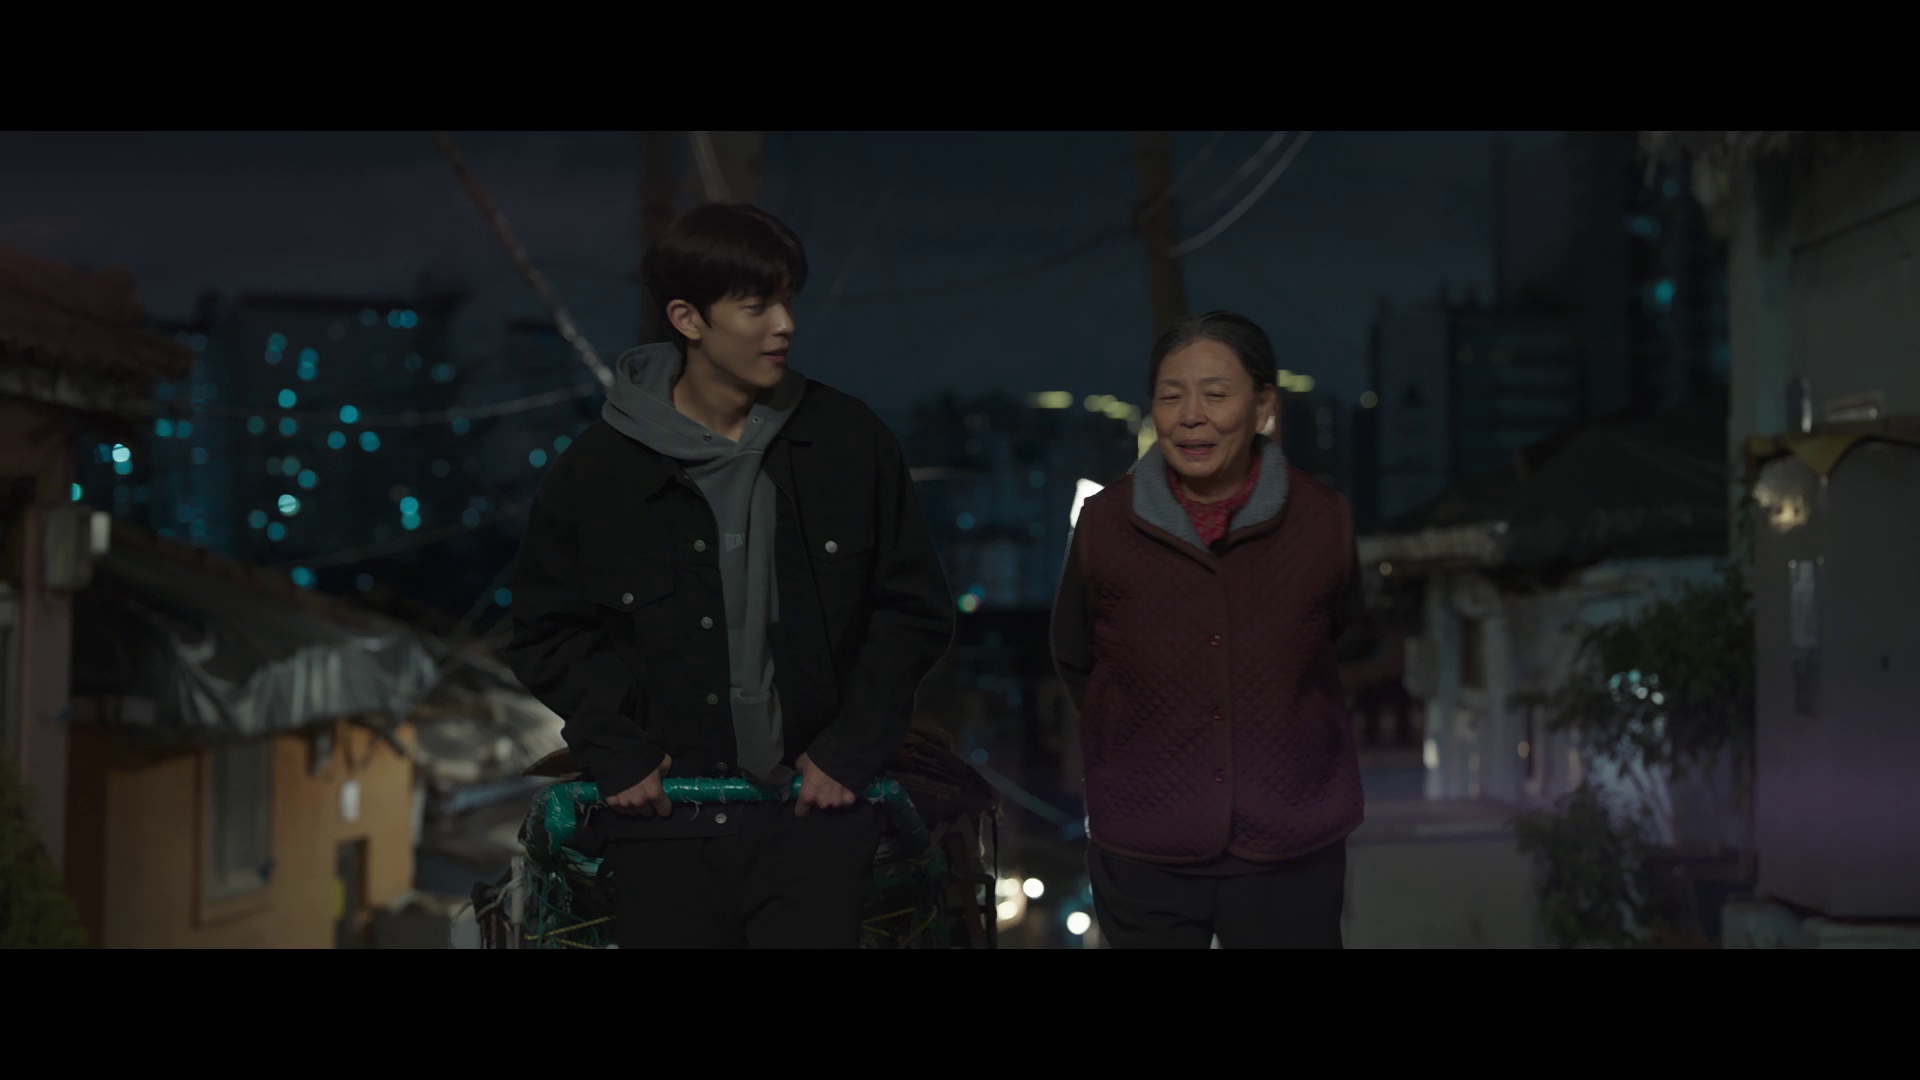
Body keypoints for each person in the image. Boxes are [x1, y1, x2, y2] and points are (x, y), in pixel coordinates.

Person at [504, 202, 953, 949]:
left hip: (815, 822)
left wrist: (849, 748)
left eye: (788, 301)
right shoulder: (600, 471)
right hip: (665, 824)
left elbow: (912, 609)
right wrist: (617, 749)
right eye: (757, 306)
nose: (785, 325)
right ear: (688, 318)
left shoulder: (847, 442)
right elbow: (545, 628)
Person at [1051, 310, 1366, 949]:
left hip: (1290, 844)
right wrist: (1144, 734)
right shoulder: (1104, 523)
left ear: (1264, 406)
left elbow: (1341, 639)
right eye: (1171, 397)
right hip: (1144, 843)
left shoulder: (1323, 519)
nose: (1191, 416)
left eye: (1216, 394)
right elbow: (1075, 652)